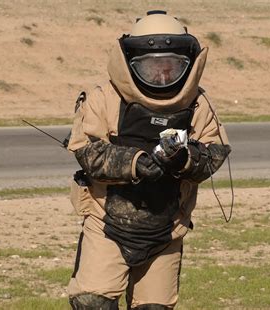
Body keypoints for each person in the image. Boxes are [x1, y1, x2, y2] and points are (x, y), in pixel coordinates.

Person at [67, 10, 231, 310]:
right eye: (151, 68)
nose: (162, 76)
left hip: (166, 228)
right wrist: (136, 162)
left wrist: (184, 159)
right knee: (91, 302)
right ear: (131, 63)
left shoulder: (198, 104)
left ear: (187, 64)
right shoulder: (104, 98)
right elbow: (87, 152)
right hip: (107, 224)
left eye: (170, 67)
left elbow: (214, 154)